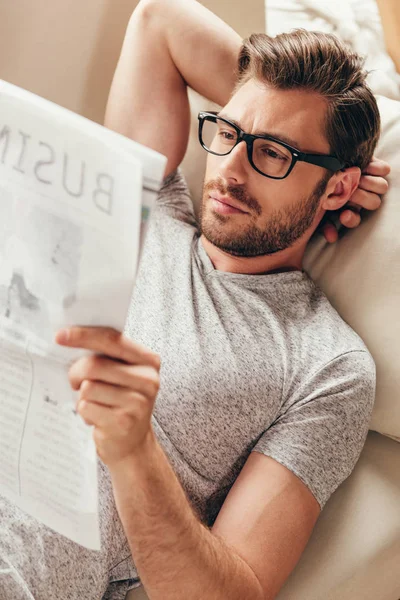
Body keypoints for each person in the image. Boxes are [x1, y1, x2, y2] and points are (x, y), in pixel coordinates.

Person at [0, 1, 391, 599]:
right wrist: (286, 138)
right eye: (229, 132)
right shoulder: (143, 210)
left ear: (336, 186)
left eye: (272, 154)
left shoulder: (327, 365)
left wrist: (136, 453)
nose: (230, 169)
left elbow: (233, 594)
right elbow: (161, 21)